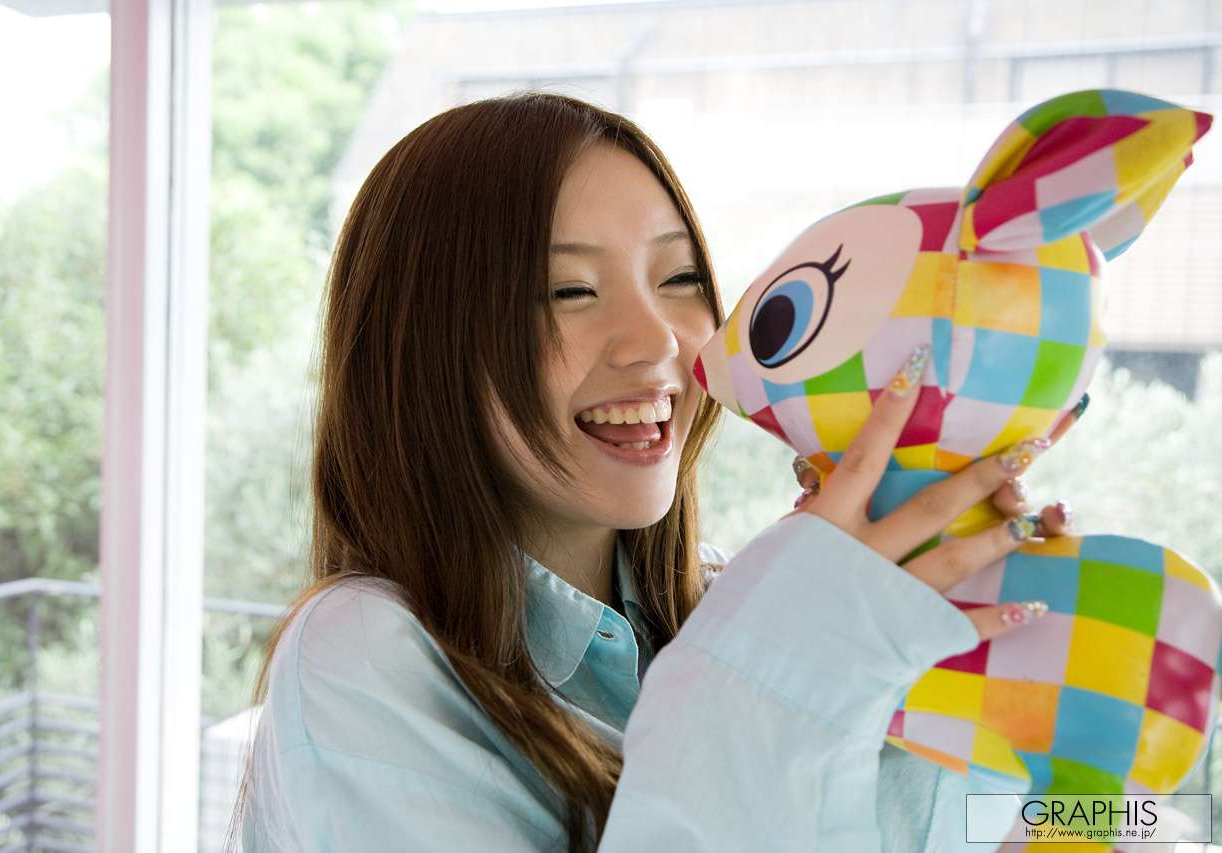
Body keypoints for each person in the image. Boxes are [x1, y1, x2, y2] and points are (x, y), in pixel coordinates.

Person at [227, 91, 1075, 852]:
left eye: (680, 277)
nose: (660, 339)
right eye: (568, 291)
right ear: (423, 350)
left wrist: (974, 651)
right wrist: (788, 655)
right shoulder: (365, 654)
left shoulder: (731, 609)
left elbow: (1025, 826)